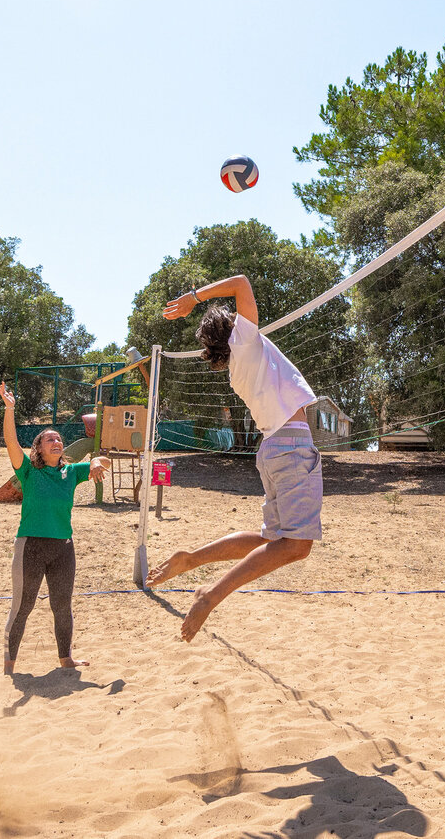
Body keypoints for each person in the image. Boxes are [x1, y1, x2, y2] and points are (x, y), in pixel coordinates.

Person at [145, 274, 322, 642]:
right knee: (296, 546)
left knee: (269, 542)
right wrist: (194, 297)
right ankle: (211, 596)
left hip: (274, 447)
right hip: (289, 446)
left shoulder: (240, 364)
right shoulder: (244, 341)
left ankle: (190, 558)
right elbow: (241, 282)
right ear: (232, 329)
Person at [0, 382, 110, 676]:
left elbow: (102, 460)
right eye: (49, 439)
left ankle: (66, 659)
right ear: (38, 448)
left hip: (63, 548)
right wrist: (10, 409)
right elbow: (11, 442)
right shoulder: (28, 471)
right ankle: (9, 666)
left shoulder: (71, 472)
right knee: (23, 606)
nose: (56, 442)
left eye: (58, 439)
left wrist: (97, 459)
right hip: (30, 546)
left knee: (62, 606)